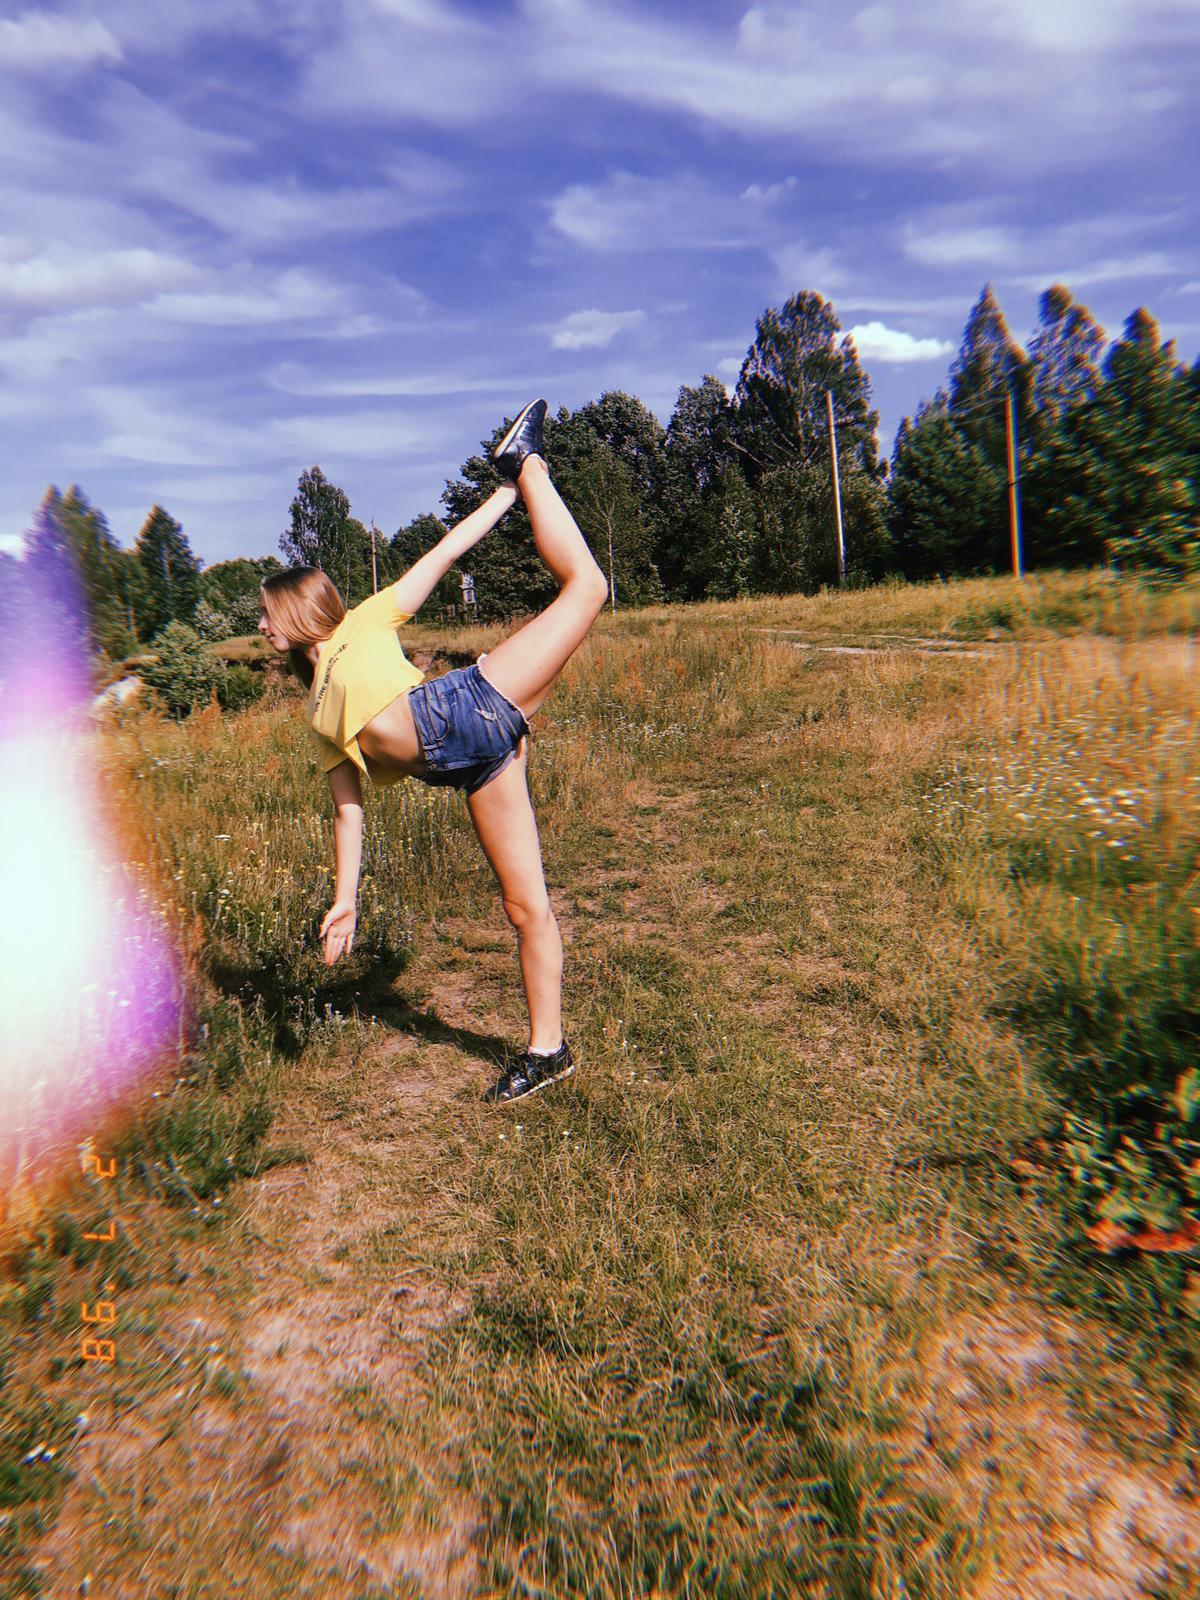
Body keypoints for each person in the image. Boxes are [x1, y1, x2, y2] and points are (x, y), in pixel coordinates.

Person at [257, 400, 608, 1104]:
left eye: (266, 613)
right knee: (525, 907)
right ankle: (550, 1052)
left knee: (589, 588)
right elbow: (348, 811)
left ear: (295, 610)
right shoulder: (316, 710)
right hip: (474, 764)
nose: (261, 625)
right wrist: (345, 900)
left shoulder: (363, 621)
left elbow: (443, 554)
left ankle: (529, 464)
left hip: (471, 701)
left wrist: (506, 494)